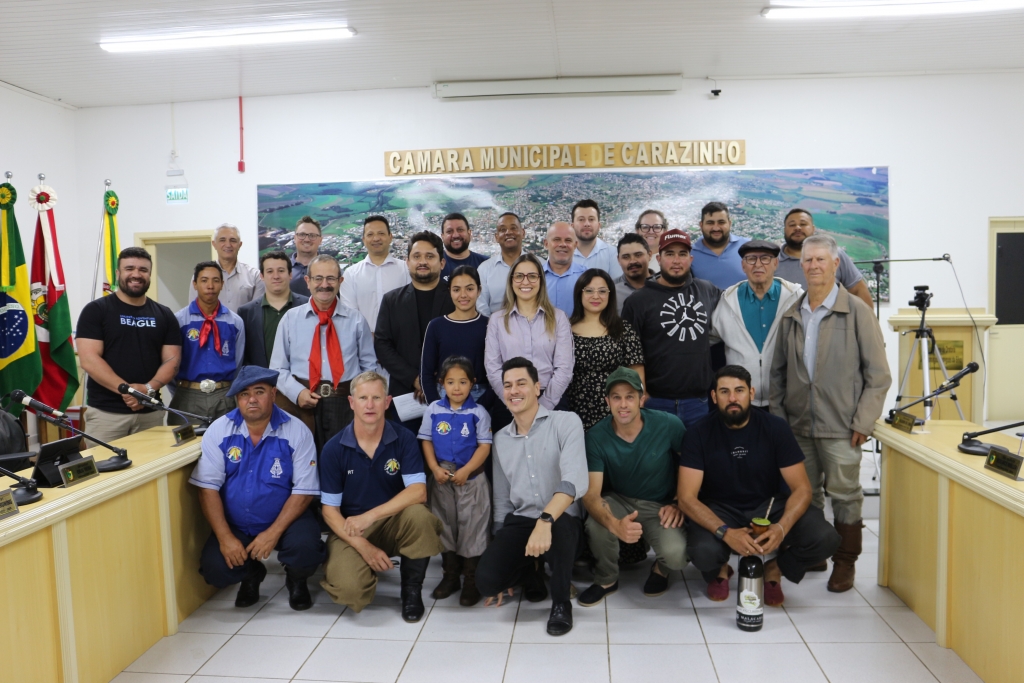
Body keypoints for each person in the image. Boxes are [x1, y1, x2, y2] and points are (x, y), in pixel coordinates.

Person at [770, 233, 891, 593]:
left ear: (836, 264)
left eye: (821, 259)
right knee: (806, 493)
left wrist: (864, 421)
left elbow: (878, 376)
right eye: (808, 260)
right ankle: (816, 552)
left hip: (842, 426)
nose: (814, 266)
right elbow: (777, 375)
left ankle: (845, 561)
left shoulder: (857, 312)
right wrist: (780, 424)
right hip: (798, 427)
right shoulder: (792, 313)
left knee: (845, 494)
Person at [678, 366, 841, 605]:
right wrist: (726, 532)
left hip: (769, 506)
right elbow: (686, 498)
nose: (732, 398)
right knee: (703, 552)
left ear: (751, 393)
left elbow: (802, 489)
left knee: (826, 538)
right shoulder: (698, 433)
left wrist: (781, 529)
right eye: (724, 391)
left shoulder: (776, 427)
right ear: (714, 396)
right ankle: (720, 569)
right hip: (720, 508)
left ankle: (775, 569)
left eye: (739, 390)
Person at [189, 365, 326, 611]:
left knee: (306, 549)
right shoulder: (219, 430)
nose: (251, 399)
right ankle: (252, 574)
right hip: (237, 523)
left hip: (286, 520)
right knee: (215, 570)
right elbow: (207, 489)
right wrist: (225, 538)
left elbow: (304, 491)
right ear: (237, 398)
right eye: (244, 394)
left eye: (259, 392)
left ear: (273, 394)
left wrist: (272, 533)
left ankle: (297, 579)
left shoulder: (297, 431)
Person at [319, 371, 444, 622]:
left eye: (376, 398)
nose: (370, 405)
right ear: (351, 403)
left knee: (420, 517)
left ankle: (411, 590)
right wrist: (363, 547)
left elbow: (418, 492)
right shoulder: (333, 449)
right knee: (350, 590)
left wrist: (370, 516)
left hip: (394, 521)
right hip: (352, 528)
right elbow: (329, 511)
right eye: (363, 398)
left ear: (387, 402)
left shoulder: (404, 438)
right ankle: (364, 570)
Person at [477, 358, 589, 636]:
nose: (513, 391)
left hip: (562, 519)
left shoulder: (566, 422)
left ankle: (561, 603)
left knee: (560, 531)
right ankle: (532, 571)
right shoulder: (500, 439)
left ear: (537, 388)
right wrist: (501, 550)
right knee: (487, 582)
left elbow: (575, 479)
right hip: (522, 519)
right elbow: (502, 499)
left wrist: (545, 520)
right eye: (507, 386)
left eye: (521, 383)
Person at [578, 367, 688, 606]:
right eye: (616, 397)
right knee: (596, 524)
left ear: (642, 398)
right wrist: (614, 524)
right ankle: (606, 579)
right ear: (607, 401)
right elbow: (591, 494)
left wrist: (679, 501)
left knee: (677, 556)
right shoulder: (596, 436)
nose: (623, 404)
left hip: (660, 504)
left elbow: (691, 466)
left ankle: (661, 569)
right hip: (619, 498)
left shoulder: (668, 424)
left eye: (629, 396)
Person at [271, 255, 378, 448]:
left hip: (345, 405)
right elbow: (277, 368)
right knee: (304, 460)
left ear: (340, 281)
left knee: (343, 460)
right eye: (318, 278)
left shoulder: (356, 320)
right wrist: (297, 393)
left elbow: (369, 368)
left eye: (331, 278)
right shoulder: (290, 319)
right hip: (301, 403)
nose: (324, 285)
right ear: (307, 281)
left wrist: (361, 400)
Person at [76, 247, 180, 443]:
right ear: (118, 273)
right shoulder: (96, 310)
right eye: (129, 268)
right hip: (106, 416)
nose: (136, 274)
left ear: (149, 274)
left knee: (153, 464)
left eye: (143, 270)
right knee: (105, 464)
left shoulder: (164, 314)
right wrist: (129, 391)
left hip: (151, 414)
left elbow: (172, 360)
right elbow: (89, 359)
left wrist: (147, 390)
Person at [621, 229, 722, 430]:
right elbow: (629, 353)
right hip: (656, 401)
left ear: (690, 259)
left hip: (698, 402)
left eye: (682, 254)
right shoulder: (637, 301)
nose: (676, 260)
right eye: (670, 254)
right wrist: (639, 393)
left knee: (697, 451)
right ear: (658, 259)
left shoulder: (707, 290)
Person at [417, 356, 493, 606]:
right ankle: (450, 576)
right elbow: (426, 440)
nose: (457, 388)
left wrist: (467, 470)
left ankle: (472, 579)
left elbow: (484, 446)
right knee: (444, 524)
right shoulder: (433, 410)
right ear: (441, 383)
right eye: (450, 382)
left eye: (463, 382)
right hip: (441, 477)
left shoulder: (478, 413)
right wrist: (433, 468)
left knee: (472, 525)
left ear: (473, 383)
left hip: (470, 478)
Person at [375, 231, 455, 431]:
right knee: (406, 448)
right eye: (417, 256)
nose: (423, 262)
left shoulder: (456, 299)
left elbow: (464, 342)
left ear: (442, 263)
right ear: (407, 262)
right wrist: (415, 379)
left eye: (430, 256)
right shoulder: (391, 301)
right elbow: (382, 345)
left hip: (449, 391)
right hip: (405, 395)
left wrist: (431, 381)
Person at [710, 240, 802, 409]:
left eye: (765, 258)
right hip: (740, 400)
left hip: (784, 398)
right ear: (743, 266)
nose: (758, 264)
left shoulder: (794, 298)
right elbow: (711, 337)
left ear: (775, 263)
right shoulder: (728, 300)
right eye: (751, 259)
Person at [485, 253, 573, 418]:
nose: (525, 282)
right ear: (511, 280)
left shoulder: (559, 318)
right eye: (519, 276)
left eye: (532, 276)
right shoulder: (497, 320)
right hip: (509, 401)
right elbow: (493, 368)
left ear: (541, 280)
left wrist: (543, 406)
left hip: (551, 400)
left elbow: (564, 368)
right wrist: (513, 402)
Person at [566, 269, 644, 430]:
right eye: (589, 291)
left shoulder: (623, 329)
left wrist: (636, 405)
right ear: (579, 294)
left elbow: (636, 371)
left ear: (610, 294)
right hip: (574, 410)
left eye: (602, 291)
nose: (596, 296)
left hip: (615, 409)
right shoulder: (565, 329)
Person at [170, 261, 245, 424]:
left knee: (227, 438)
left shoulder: (235, 322)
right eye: (204, 280)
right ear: (195, 284)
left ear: (222, 284)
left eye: (215, 280)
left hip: (224, 396)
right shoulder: (179, 320)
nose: (210, 286)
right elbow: (170, 364)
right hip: (187, 395)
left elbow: (238, 363)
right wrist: (182, 389)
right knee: (184, 440)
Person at [420, 266, 492, 406]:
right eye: (456, 289)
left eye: (469, 289)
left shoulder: (490, 325)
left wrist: (482, 406)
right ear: (449, 291)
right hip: (443, 396)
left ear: (479, 290)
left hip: (480, 397)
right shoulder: (436, 326)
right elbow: (426, 373)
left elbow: (496, 372)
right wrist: (437, 406)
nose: (463, 295)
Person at [775, 209, 874, 308]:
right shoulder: (773, 262)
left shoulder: (834, 254)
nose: (797, 228)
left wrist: (867, 317)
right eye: (792, 225)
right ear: (784, 230)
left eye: (803, 224)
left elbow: (858, 290)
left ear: (813, 229)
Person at [338, 215, 410, 332]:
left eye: (381, 233)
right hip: (363, 340)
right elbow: (350, 315)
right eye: (370, 234)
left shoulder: (406, 270)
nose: (376, 238)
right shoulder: (350, 274)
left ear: (390, 237)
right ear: (364, 240)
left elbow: (411, 309)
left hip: (401, 340)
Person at [239, 251, 308, 369]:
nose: (276, 276)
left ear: (290, 274)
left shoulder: (307, 306)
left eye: (281, 271)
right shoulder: (246, 312)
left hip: (300, 378)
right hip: (261, 378)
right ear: (262, 276)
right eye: (270, 271)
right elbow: (244, 357)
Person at [188, 224, 265, 312]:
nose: (228, 245)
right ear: (214, 244)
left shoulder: (255, 276)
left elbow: (256, 312)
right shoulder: (200, 276)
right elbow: (193, 310)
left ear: (239, 245)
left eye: (233, 240)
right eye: (222, 240)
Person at [689, 202, 751, 290]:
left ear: (729, 223)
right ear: (701, 225)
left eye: (721, 222)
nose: (716, 228)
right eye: (710, 223)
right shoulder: (690, 254)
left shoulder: (748, 247)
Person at [477, 212, 527, 316]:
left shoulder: (540, 265)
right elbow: (482, 307)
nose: (508, 232)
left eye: (513, 228)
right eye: (503, 230)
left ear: (523, 233)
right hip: (494, 325)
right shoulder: (484, 269)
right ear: (496, 237)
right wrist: (494, 325)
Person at [543, 221, 587, 316]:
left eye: (568, 240)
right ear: (546, 244)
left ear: (575, 245)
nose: (563, 244)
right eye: (557, 239)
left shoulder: (587, 277)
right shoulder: (535, 276)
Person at [571, 199, 623, 279]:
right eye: (581, 219)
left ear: (599, 225)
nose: (587, 224)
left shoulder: (612, 254)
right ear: (572, 226)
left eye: (591, 219)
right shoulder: (563, 254)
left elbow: (617, 285)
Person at [438, 212, 489, 284]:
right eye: (449, 231)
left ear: (469, 233)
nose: (455, 235)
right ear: (442, 236)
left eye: (460, 230)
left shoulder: (486, 264)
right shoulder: (435, 264)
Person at [614, 233, 652, 313]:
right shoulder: (611, 290)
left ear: (649, 255)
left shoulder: (664, 285)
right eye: (626, 257)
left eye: (638, 255)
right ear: (618, 260)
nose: (632, 261)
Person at [290, 216, 323, 297]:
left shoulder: (333, 272)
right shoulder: (282, 270)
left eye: (312, 235)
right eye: (302, 235)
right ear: (295, 238)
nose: (307, 239)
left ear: (320, 240)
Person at [635, 209, 668, 273]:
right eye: (645, 227)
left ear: (665, 232)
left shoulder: (672, 261)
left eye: (657, 227)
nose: (651, 232)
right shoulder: (626, 259)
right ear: (637, 231)